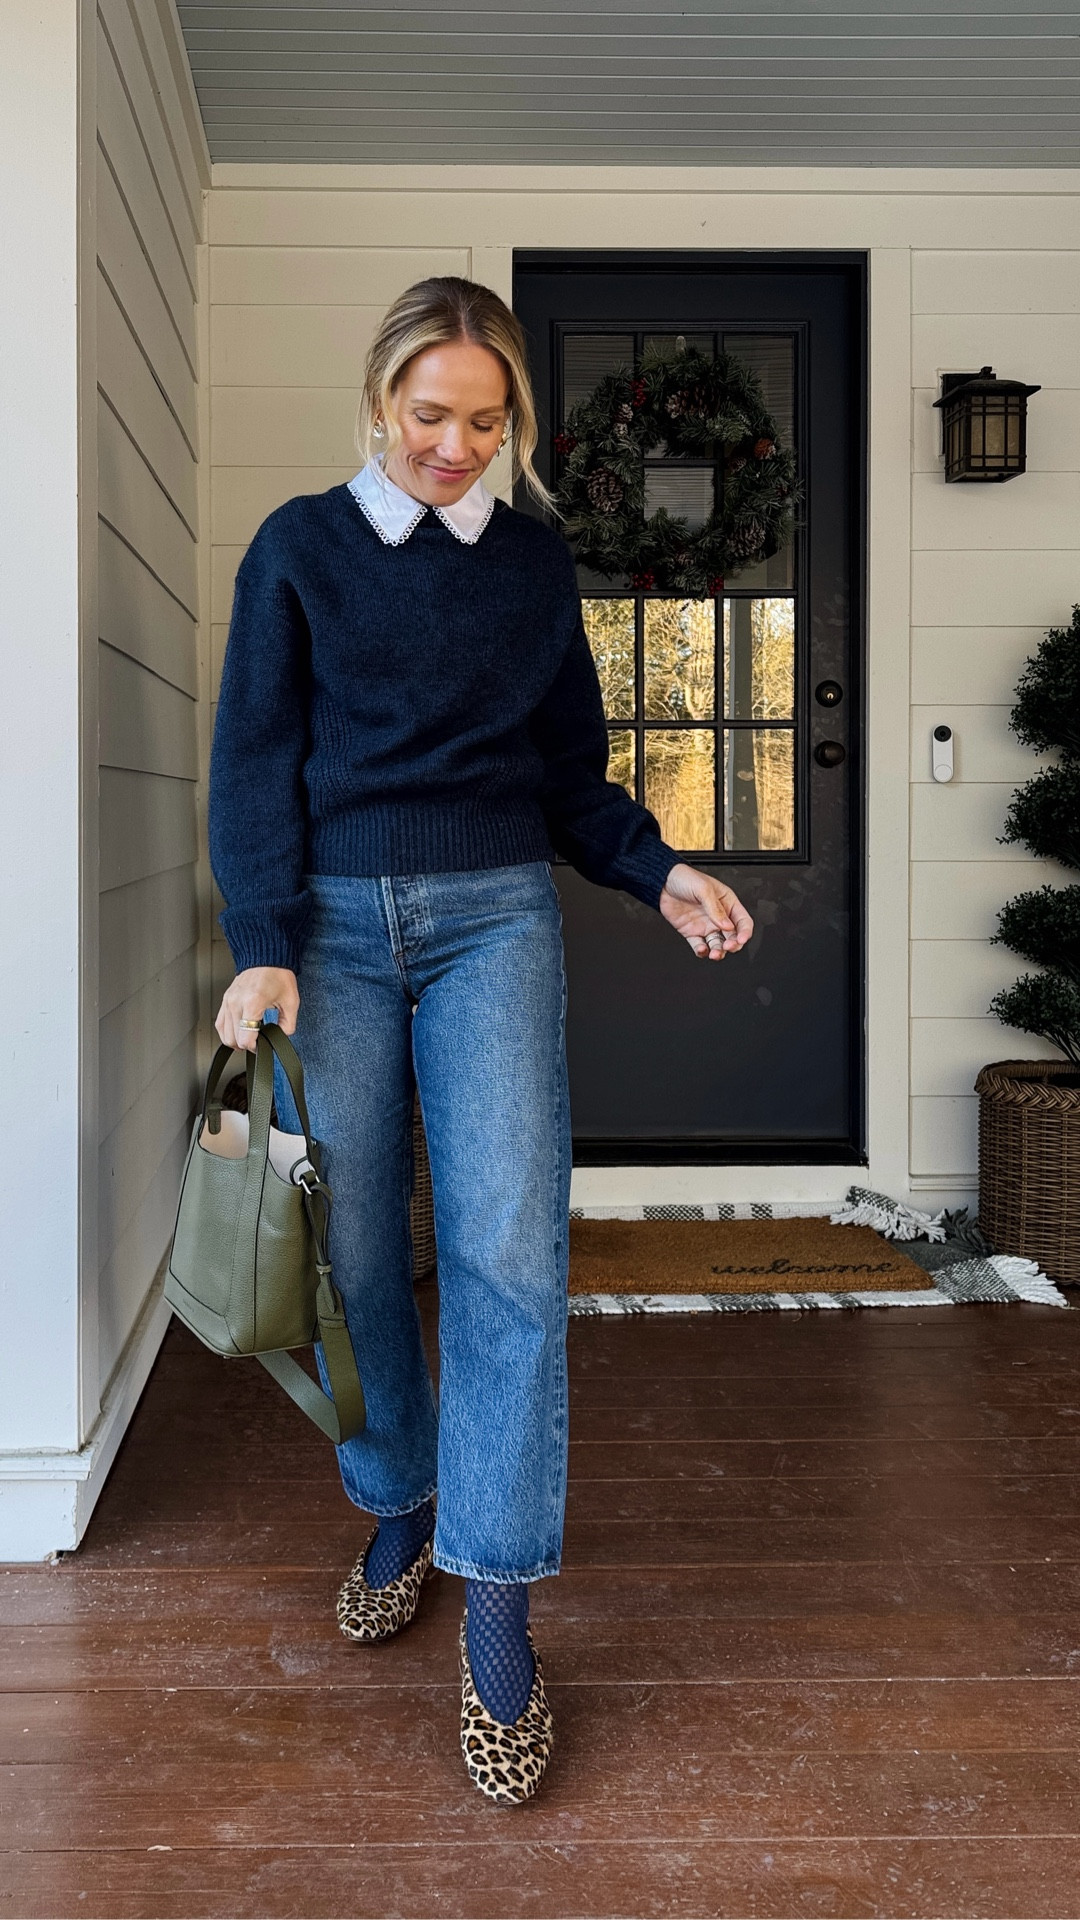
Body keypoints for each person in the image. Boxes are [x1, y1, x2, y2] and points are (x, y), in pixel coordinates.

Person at [207, 275, 753, 1805]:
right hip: (328, 934)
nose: (457, 447)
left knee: (512, 1252)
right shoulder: (301, 549)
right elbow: (252, 758)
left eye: (487, 422)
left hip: (495, 917)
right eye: (432, 416)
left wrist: (659, 868)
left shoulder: (527, 564)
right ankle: (399, 1501)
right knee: (359, 1252)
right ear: (383, 402)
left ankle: (498, 1605)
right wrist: (259, 947)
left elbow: (569, 775)